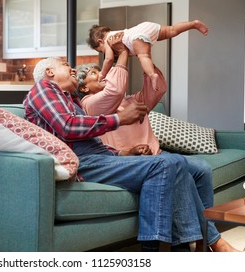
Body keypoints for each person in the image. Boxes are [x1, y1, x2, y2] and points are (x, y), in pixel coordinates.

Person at [23, 45, 232, 252]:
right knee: (168, 163)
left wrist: (124, 153)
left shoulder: (70, 99)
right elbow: (68, 127)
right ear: (50, 72)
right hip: (83, 164)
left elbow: (91, 143)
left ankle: (185, 248)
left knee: (180, 164)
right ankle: (166, 248)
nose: (73, 70)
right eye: (66, 65)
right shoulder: (43, 89)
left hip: (100, 157)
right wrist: (119, 118)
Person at [76, 56, 238, 252]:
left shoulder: (131, 101)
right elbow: (114, 90)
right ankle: (210, 240)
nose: (103, 75)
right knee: (181, 174)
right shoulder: (90, 105)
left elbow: (158, 88)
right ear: (84, 88)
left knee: (202, 168)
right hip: (132, 162)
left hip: (157, 155)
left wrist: (144, 55)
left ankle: (203, 239)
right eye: (95, 73)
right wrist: (122, 55)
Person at [86, 20, 208, 89]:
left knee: (144, 56)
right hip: (146, 27)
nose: (104, 51)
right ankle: (193, 24)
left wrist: (102, 73)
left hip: (137, 37)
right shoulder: (116, 33)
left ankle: (152, 75)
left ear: (100, 42)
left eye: (100, 50)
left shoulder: (108, 41)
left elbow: (109, 59)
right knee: (172, 30)